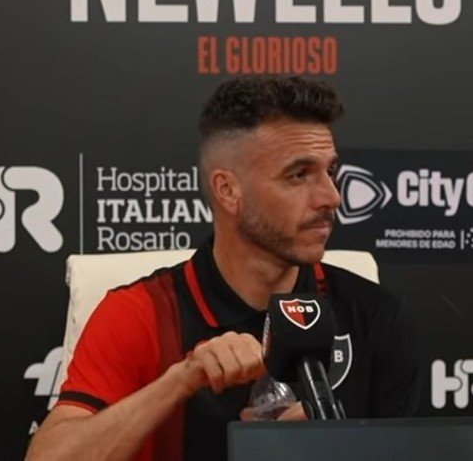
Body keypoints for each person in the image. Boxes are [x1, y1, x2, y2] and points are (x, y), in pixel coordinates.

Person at [25, 76, 423, 461]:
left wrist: (332, 447)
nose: (331, 197)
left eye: (330, 172)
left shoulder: (373, 316)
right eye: (299, 175)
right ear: (228, 190)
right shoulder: (140, 313)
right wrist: (181, 379)